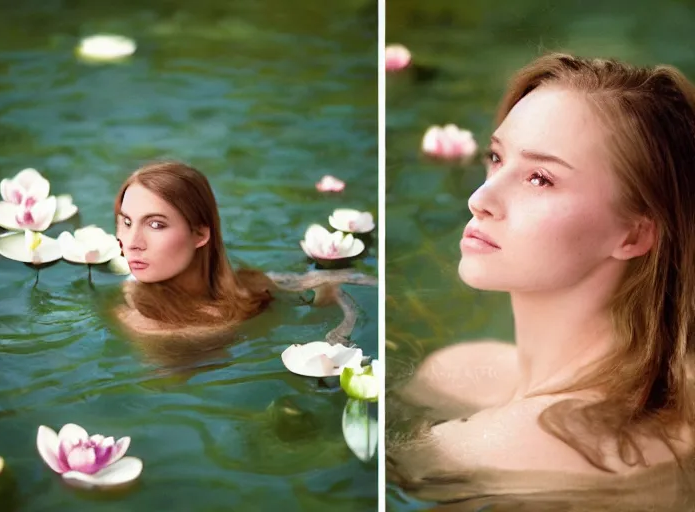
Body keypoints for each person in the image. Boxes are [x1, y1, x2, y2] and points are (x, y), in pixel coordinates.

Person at [392, 52, 695, 482]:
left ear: (633, 235)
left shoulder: (487, 449)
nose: (480, 199)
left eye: (541, 178)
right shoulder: (454, 372)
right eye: (496, 158)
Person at [113, 160, 377, 339]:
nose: (132, 241)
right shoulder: (143, 322)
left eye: (156, 224)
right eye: (126, 222)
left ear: (200, 234)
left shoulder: (251, 284)